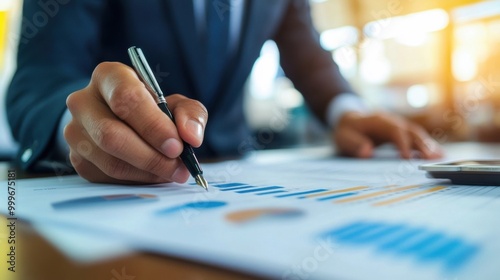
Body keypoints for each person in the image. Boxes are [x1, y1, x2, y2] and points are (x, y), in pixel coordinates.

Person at [6, 0, 442, 184]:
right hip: (110, 195)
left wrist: (346, 111)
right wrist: (84, 126)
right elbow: (39, 77)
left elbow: (306, 50)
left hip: (237, 179)